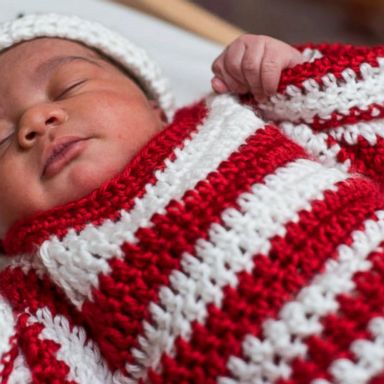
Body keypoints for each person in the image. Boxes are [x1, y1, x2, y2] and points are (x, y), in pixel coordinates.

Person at [1, 12, 384, 384]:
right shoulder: (36, 285)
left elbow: (371, 111)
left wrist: (294, 76)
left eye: (70, 86)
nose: (36, 120)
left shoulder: (237, 114)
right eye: (1, 139)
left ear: (152, 106)